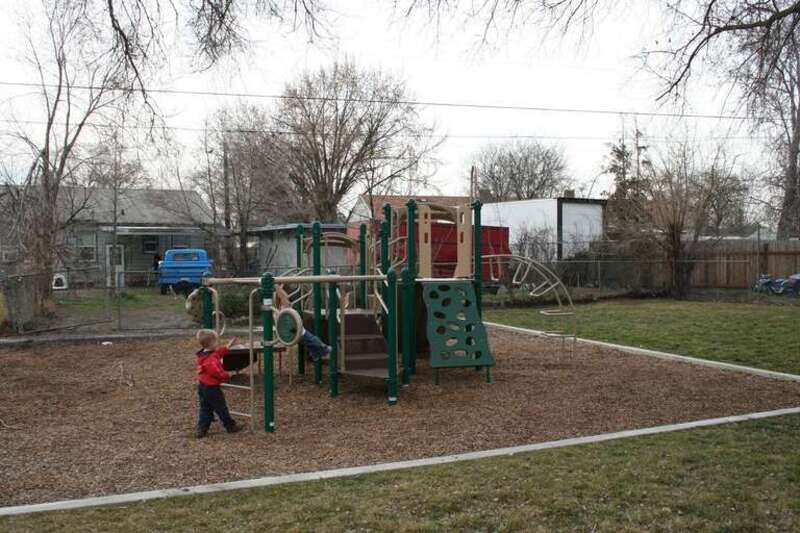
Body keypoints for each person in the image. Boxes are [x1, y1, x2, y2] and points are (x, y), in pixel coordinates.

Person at [194, 329, 242, 438]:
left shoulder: (204, 353)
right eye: (216, 341)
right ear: (211, 344)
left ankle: (202, 429)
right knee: (221, 407)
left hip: (202, 386)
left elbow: (218, 352)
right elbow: (216, 372)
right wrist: (226, 375)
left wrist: (229, 345)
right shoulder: (211, 360)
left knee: (205, 408)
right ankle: (230, 426)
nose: (217, 343)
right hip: (211, 388)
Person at [275, 286, 331, 362]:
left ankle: (316, 353)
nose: (287, 298)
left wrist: (277, 287)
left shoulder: (278, 309)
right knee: (311, 339)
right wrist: (276, 287)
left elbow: (283, 296)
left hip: (291, 330)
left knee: (308, 342)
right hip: (293, 330)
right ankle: (325, 349)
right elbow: (284, 296)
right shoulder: (283, 307)